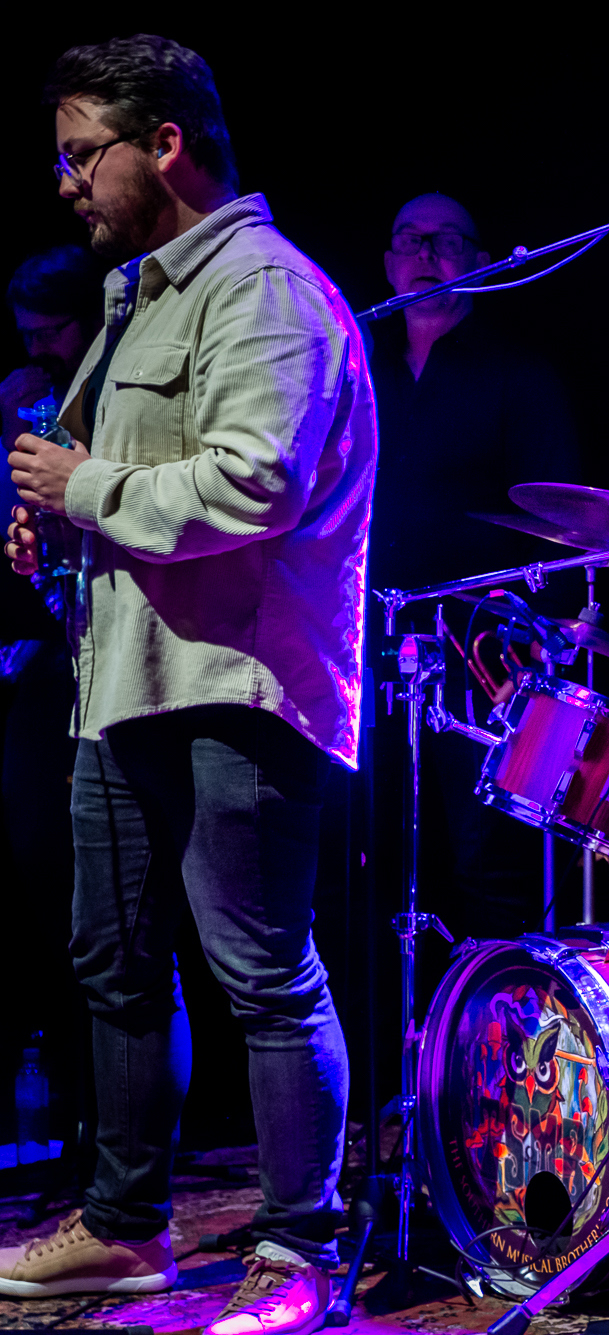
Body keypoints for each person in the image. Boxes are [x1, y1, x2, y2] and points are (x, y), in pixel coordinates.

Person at [0, 36, 376, 1335]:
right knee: (114, 958)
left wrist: (86, 487)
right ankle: (123, 1227)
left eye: (81, 154)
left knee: (262, 971)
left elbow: (256, 481)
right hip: (125, 677)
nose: (66, 182)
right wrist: (60, 521)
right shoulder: (137, 298)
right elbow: (124, 478)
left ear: (164, 144)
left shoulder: (264, 290)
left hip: (238, 684)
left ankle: (299, 1249)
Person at [367, 191, 583, 941]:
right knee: (370, 848)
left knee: (482, 858)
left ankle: (494, 1008)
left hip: (480, 650)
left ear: (482, 263)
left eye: (445, 240)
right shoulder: (361, 370)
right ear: (388, 263)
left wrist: (541, 648)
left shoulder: (519, 377)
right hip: (371, 640)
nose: (426, 254)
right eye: (410, 239)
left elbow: (561, 521)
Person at [0, 245, 105, 1166]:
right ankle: (70, 1098)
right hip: (52, 651)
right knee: (38, 858)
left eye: (50, 332)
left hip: (119, 658)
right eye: (25, 334)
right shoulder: (25, 399)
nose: (37, 349)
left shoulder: (112, 388)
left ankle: (113, 1120)